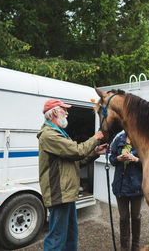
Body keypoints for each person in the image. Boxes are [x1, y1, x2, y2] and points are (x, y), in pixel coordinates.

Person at [37, 99, 108, 251]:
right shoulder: (49, 135)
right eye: (65, 110)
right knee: (57, 237)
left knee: (70, 234)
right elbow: (77, 151)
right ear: (55, 112)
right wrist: (95, 138)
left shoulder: (60, 134)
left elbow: (76, 161)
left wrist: (95, 153)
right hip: (59, 193)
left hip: (67, 193)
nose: (67, 113)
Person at [109, 132, 143, 251]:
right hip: (120, 187)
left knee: (136, 217)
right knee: (123, 218)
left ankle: (135, 247)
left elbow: (148, 162)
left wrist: (135, 159)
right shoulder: (118, 140)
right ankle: (124, 247)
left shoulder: (141, 139)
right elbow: (111, 159)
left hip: (137, 188)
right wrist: (118, 158)